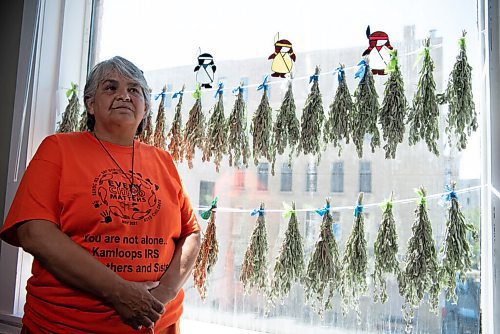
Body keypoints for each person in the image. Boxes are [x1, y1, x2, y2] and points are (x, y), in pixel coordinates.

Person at [0, 56, 201, 333]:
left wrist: (163, 295)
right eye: (110, 88)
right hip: (66, 326)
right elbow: (34, 232)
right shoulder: (58, 148)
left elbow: (192, 233)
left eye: (134, 90)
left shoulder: (163, 160)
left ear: (145, 107)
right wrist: (120, 292)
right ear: (90, 104)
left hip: (159, 323)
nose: (124, 96)